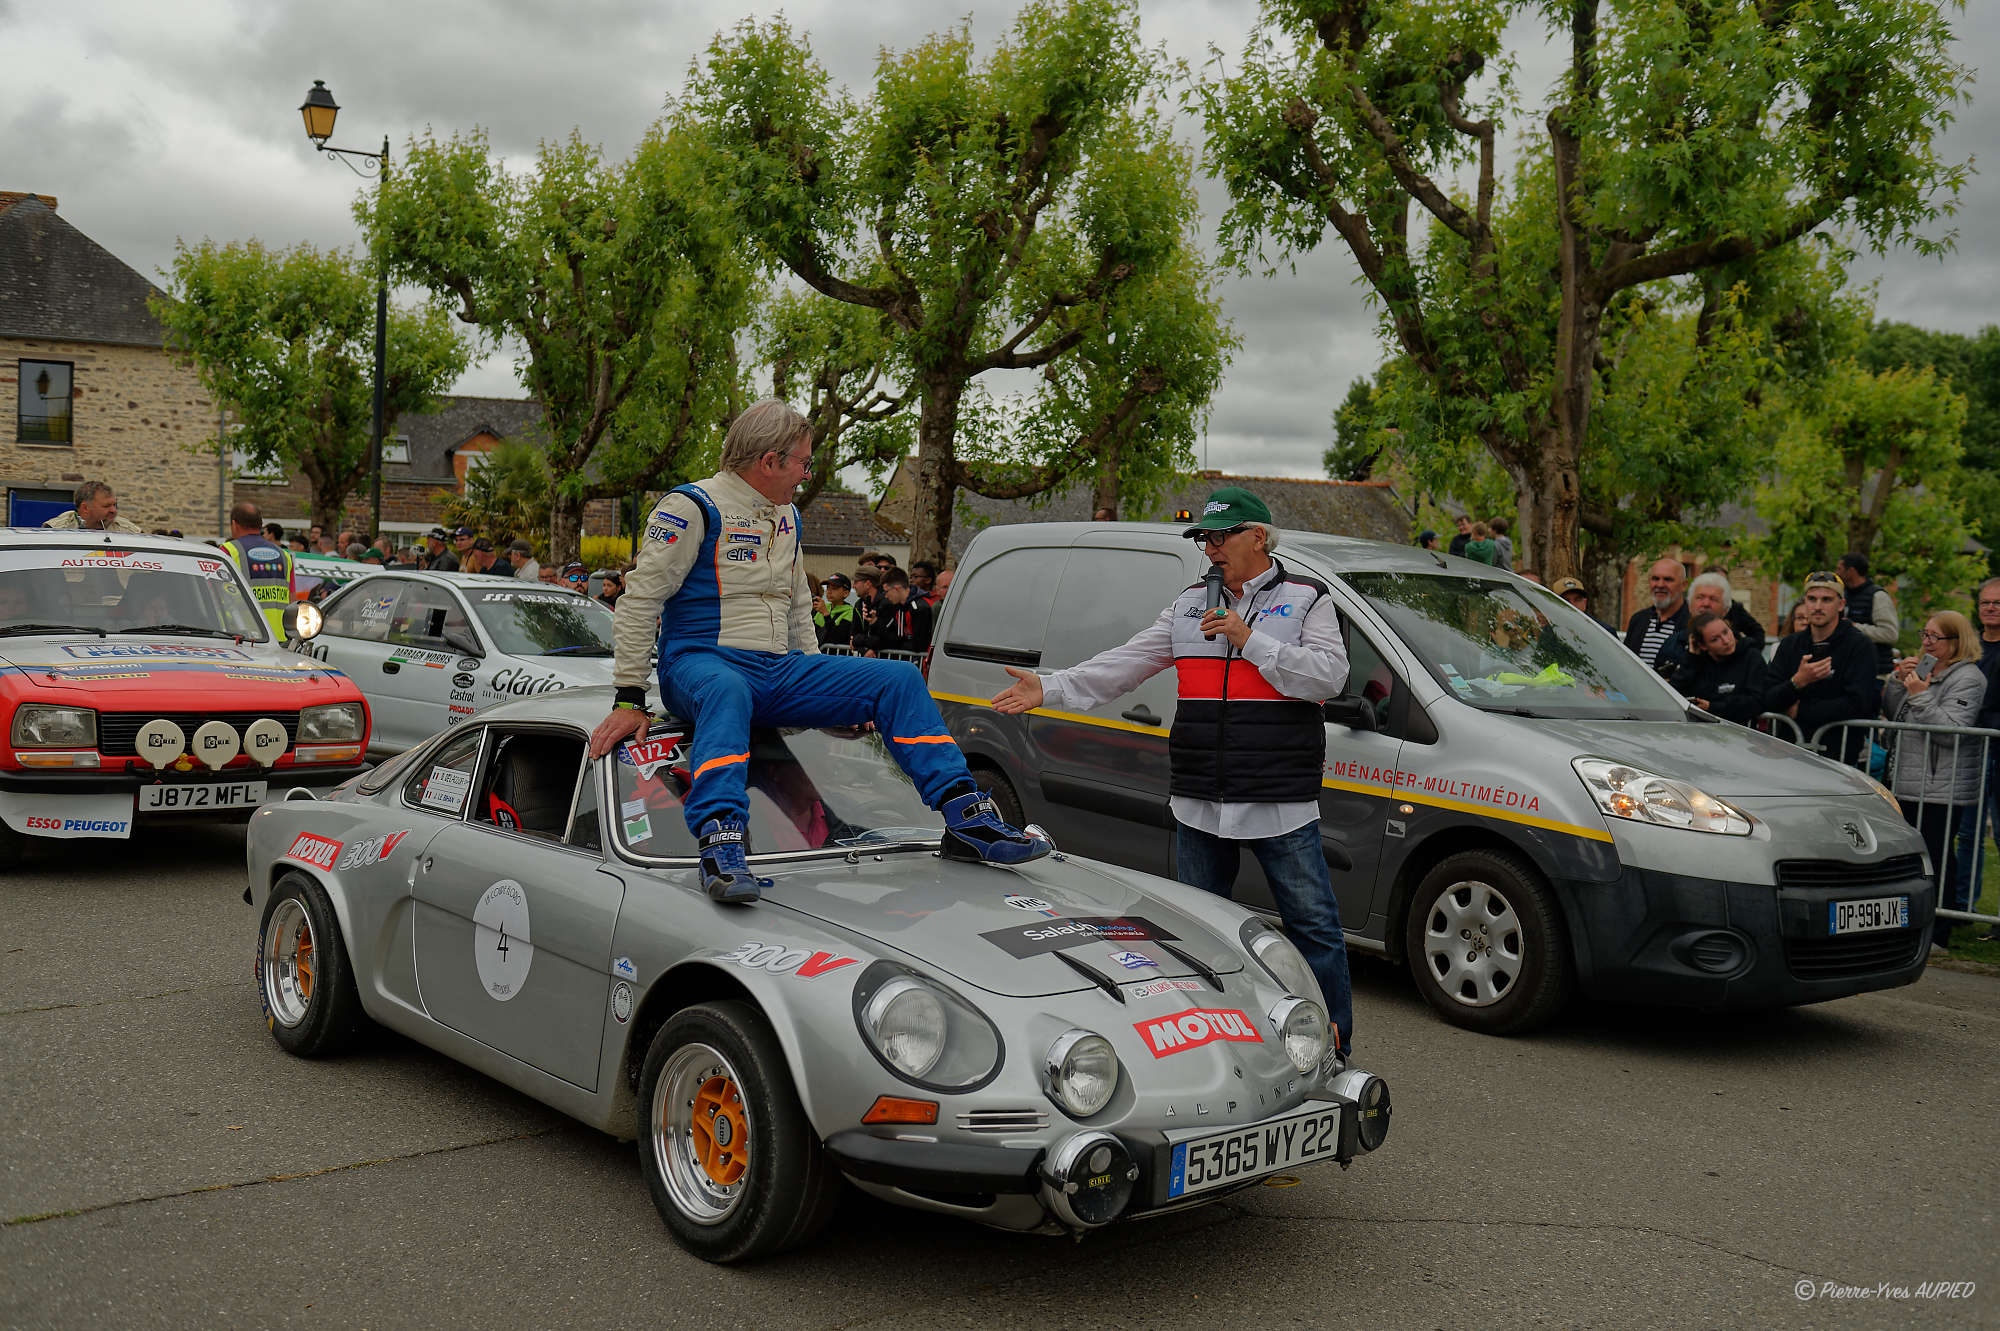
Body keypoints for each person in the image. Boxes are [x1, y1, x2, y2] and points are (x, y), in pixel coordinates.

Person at [588, 398, 1046, 902]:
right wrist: (629, 698)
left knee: (898, 680)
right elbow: (638, 602)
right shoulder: (691, 506)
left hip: (777, 668)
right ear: (770, 461)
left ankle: (966, 817)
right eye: (804, 463)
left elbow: (798, 606)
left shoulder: (787, 515)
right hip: (700, 663)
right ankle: (721, 843)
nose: (807, 475)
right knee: (727, 690)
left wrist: (819, 690)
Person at [990, 486, 1355, 1058]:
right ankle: (1217, 1047)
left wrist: (1248, 638)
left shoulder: (1308, 599)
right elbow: (1125, 664)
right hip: (1200, 797)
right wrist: (1050, 687)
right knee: (1197, 932)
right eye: (1203, 538)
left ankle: (1332, 1049)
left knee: (1313, 930)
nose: (1209, 548)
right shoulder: (1188, 604)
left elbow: (1328, 679)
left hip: (1277, 797)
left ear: (1257, 537)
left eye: (1220, 536)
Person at [1881, 611, 1986, 954]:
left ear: (1955, 642)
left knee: (1938, 856)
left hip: (1942, 784)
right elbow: (1897, 714)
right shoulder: (1925, 668)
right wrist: (1898, 682)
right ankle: (1907, 921)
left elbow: (1951, 730)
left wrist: (1920, 695)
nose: (1925, 643)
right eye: (1924, 635)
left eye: (1933, 637)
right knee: (1907, 856)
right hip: (1908, 780)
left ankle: (1940, 930)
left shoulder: (1969, 677)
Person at [1766, 571, 1880, 761]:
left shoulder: (1860, 646)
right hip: (1787, 754)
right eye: (1812, 599)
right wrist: (1797, 682)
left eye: (1826, 600)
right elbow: (1767, 696)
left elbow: (1861, 703)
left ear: (1841, 605)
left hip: (1838, 757)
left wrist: (1800, 711)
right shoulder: (1790, 645)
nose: (1818, 607)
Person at [1670, 612, 1777, 725]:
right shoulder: (1696, 661)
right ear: (1703, 646)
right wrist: (1691, 659)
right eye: (1715, 639)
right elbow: (1673, 693)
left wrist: (1713, 707)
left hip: (1741, 731)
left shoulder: (1751, 657)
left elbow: (1757, 701)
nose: (1726, 641)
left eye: (1726, 632)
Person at [1658, 572, 1765, 672]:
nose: (1706, 604)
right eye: (1700, 597)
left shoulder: (1745, 654)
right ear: (1690, 606)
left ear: (1725, 609)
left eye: (1713, 599)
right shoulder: (1673, 646)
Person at [221, 500, 296, 637]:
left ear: (234, 524)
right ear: (260, 525)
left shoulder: (229, 551)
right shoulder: (284, 555)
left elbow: (216, 593)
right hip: (279, 636)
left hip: (240, 634)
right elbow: (292, 598)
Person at [1838, 552, 1900, 677]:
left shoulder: (1878, 596)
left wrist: (1854, 627)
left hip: (1876, 673)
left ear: (1851, 571)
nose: (1836, 573)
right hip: (1850, 671)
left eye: (1839, 568)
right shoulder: (1843, 595)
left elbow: (1890, 634)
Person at [1623, 557, 1689, 674]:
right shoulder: (1638, 620)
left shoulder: (1692, 624)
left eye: (1668, 579)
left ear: (1684, 585)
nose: (1660, 584)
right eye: (1655, 579)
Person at [43, 480, 141, 533]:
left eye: (114, 505)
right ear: (85, 508)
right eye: (106, 506)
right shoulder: (56, 531)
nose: (113, 510)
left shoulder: (130, 532)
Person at [877, 568, 934, 655]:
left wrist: (897, 645)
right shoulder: (898, 606)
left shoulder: (919, 607)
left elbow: (919, 644)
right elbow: (892, 635)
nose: (886, 596)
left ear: (897, 588)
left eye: (886, 591)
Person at [814, 572, 856, 648]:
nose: (829, 591)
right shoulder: (822, 607)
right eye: (828, 588)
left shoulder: (850, 612)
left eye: (834, 588)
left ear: (845, 593)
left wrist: (826, 614)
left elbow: (837, 638)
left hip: (837, 656)